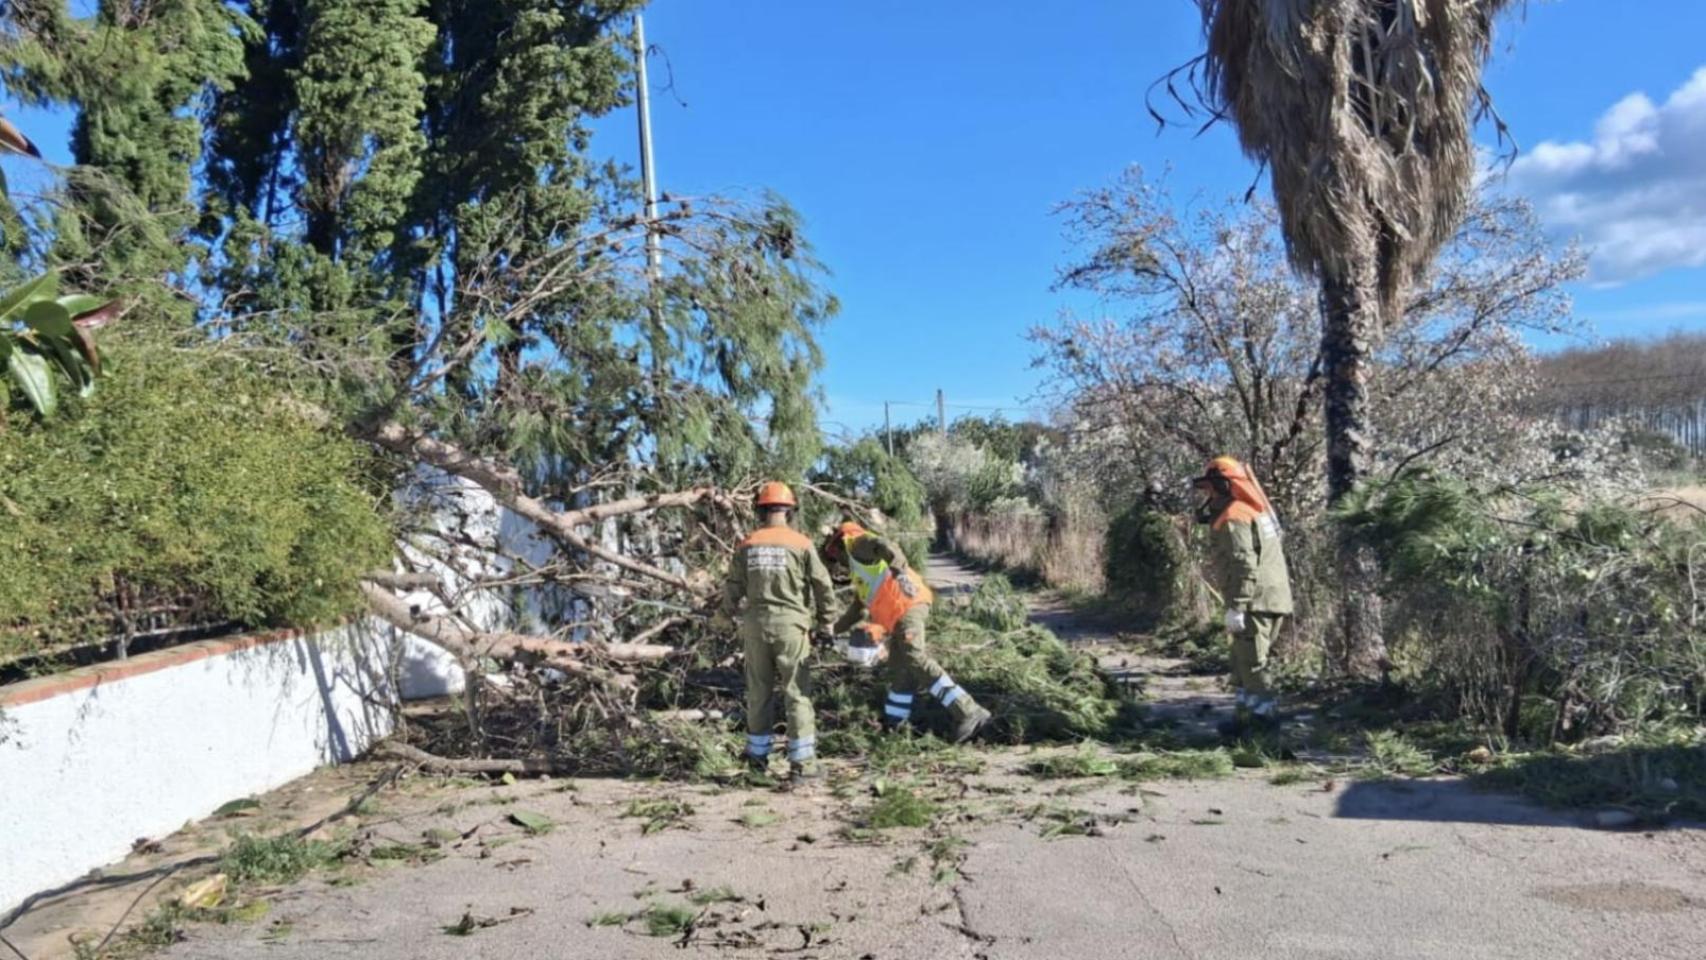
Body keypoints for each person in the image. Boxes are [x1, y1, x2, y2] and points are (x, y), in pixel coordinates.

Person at [821, 522, 992, 743]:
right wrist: (830, 630)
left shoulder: (856, 543)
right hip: (899, 616)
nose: (838, 566)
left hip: (908, 605)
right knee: (901, 673)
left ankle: (968, 711)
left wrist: (899, 572)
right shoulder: (860, 571)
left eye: (834, 560)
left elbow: (885, 544)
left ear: (836, 548)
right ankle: (895, 726)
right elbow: (857, 611)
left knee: (915, 656)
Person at [722, 482, 838, 780]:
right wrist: (827, 623)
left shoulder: (748, 543)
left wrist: (721, 618)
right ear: (790, 511)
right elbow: (822, 585)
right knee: (797, 693)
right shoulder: (801, 543)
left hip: (755, 627)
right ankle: (803, 765)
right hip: (791, 626)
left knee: (758, 691)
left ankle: (756, 760)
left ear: (761, 510)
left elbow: (733, 587)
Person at [1190, 457, 1294, 732]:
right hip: (1267, 597)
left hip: (1254, 601)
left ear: (1224, 486)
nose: (1207, 495)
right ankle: (1245, 719)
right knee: (1242, 665)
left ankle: (1265, 725)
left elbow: (1244, 564)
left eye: (1210, 488)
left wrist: (1237, 606)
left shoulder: (1235, 516)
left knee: (1253, 664)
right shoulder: (1251, 511)